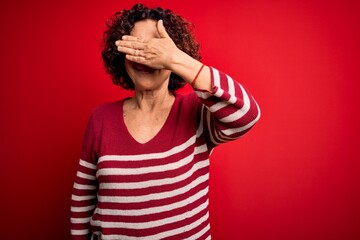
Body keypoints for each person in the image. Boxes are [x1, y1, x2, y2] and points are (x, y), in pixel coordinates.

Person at [70, 3, 260, 240]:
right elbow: (82, 199)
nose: (147, 56)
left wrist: (177, 59)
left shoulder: (195, 112)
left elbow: (247, 115)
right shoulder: (100, 119)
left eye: (156, 48)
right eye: (137, 46)